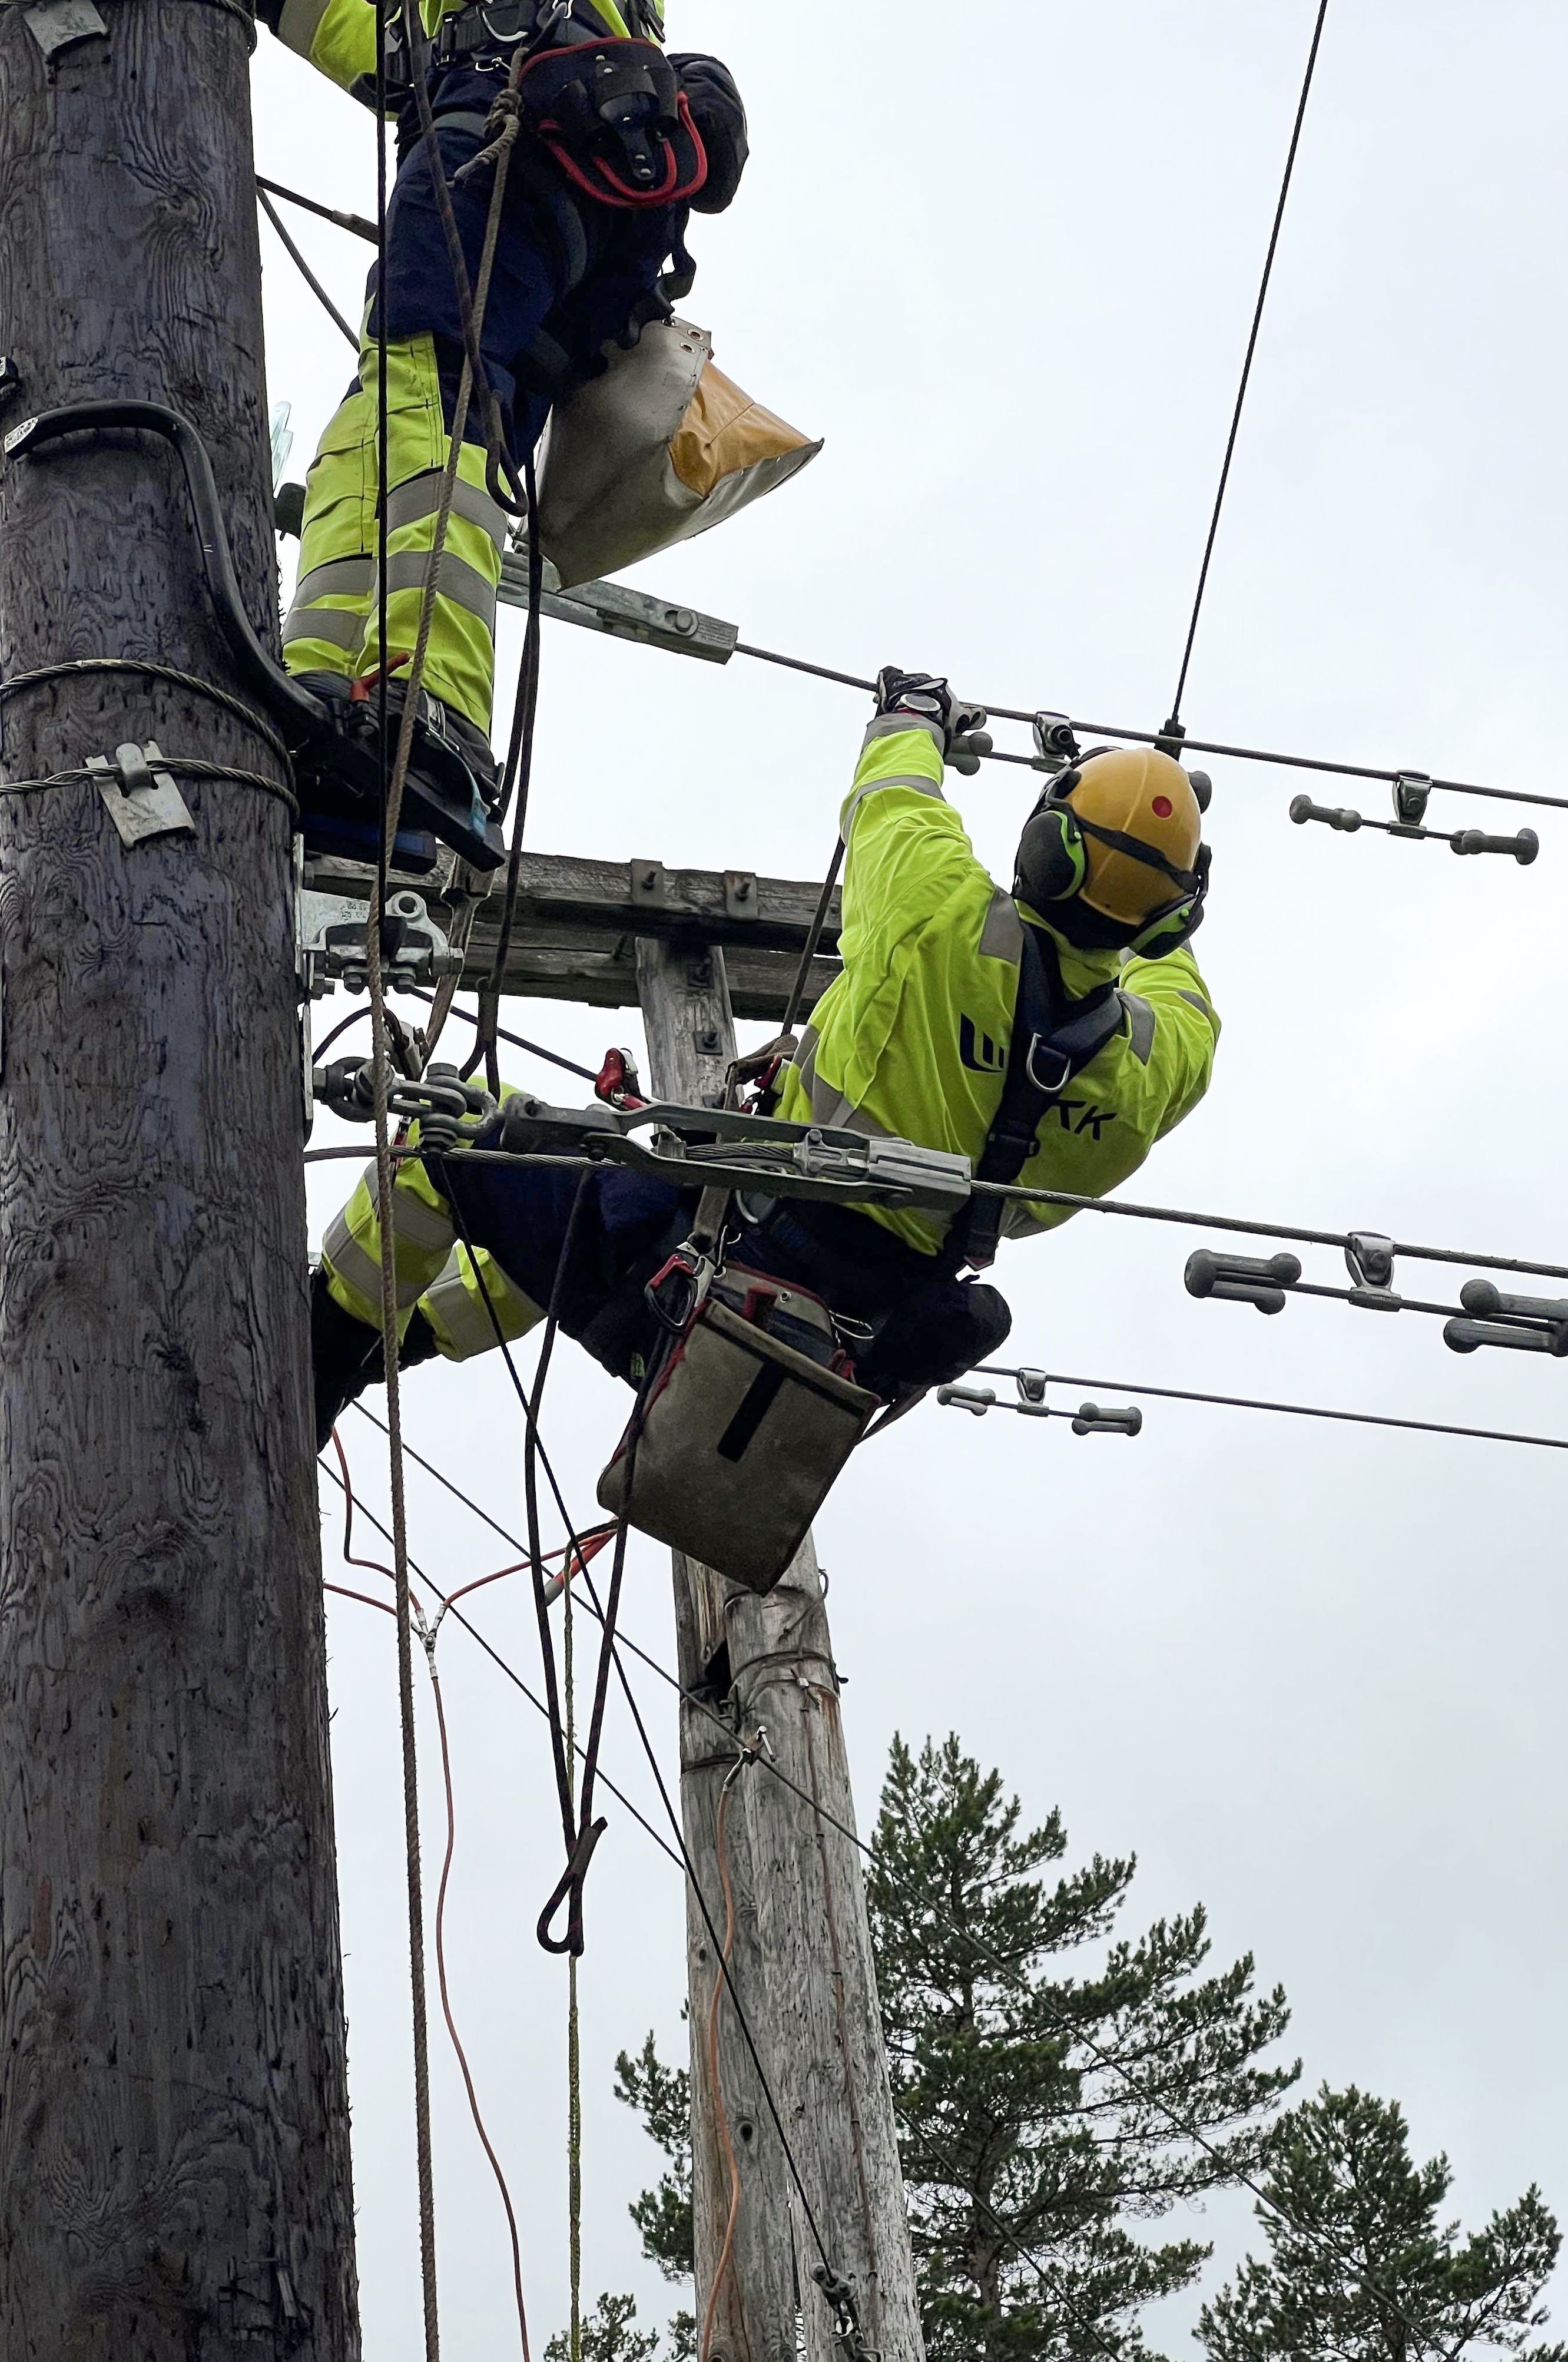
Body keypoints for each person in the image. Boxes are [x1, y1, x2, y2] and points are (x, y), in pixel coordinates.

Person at [310, 670, 1223, 1438]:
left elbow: (892, 797)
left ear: (1045, 850)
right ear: (1169, 918)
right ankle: (415, 1338)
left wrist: (913, 714)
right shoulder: (1153, 1068)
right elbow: (1181, 993)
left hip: (707, 1265)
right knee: (556, 1207)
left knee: (454, 1129)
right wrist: (1168, 879)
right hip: (814, 1351)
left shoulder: (935, 913)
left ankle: (325, 1343)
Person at [260, 0, 747, 864]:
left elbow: (358, 31)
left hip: (509, 133)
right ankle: (330, 691)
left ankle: (427, 699)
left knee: (421, 396)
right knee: (426, 422)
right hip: (602, 197)